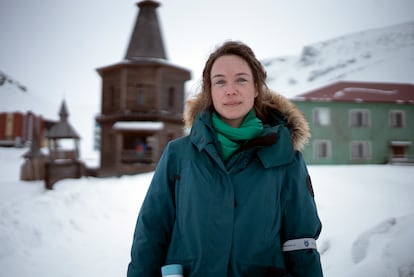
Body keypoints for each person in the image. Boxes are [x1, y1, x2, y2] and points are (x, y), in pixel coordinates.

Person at [127, 40, 323, 277]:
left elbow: (301, 242)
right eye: (220, 81)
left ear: (257, 88)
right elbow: (151, 234)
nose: (230, 90)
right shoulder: (179, 155)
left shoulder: (285, 157)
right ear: (210, 91)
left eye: (241, 79)